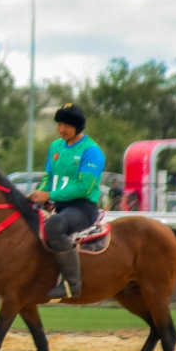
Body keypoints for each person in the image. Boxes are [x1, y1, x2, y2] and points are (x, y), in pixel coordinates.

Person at [28, 103, 105, 300]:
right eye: (60, 124)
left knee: (54, 226)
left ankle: (72, 284)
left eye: (67, 125)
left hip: (82, 208)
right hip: (59, 206)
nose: (62, 129)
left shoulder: (92, 151)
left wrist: (50, 196)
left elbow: (84, 187)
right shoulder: (55, 146)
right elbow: (48, 177)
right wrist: (39, 193)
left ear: (78, 127)